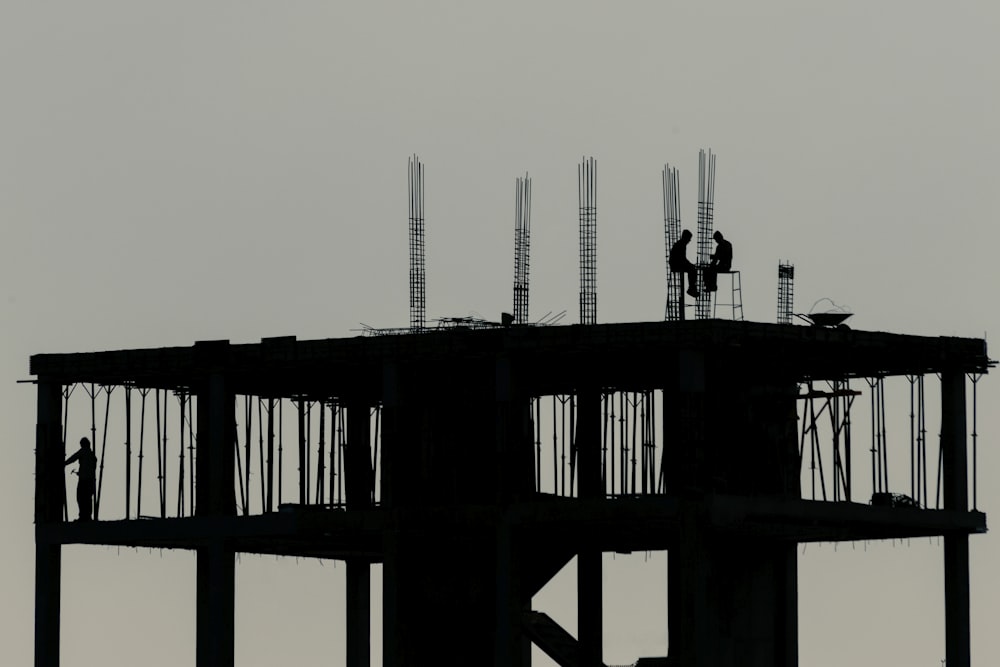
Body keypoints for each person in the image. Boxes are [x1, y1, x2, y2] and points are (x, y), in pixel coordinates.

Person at [65, 437, 97, 521]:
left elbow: (74, 457)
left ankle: (83, 516)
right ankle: (88, 516)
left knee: (81, 497)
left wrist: (64, 463)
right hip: (91, 481)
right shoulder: (92, 455)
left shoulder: (83, 451)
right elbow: (91, 468)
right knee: (88, 499)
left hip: (84, 481)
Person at [669, 229, 700, 297]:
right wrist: (690, 265)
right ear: (685, 237)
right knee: (693, 270)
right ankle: (691, 289)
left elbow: (683, 259)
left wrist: (690, 264)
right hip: (676, 265)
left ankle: (692, 288)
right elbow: (682, 259)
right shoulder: (681, 245)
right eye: (689, 238)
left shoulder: (680, 244)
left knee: (692, 268)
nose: (689, 240)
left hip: (676, 264)